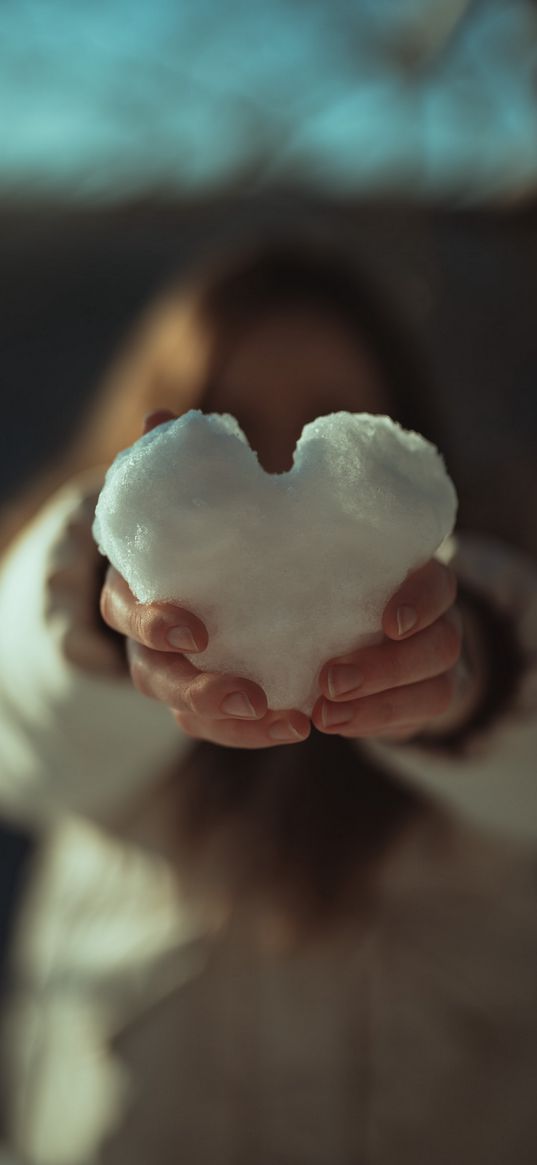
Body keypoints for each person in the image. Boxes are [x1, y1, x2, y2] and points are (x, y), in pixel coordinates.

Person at [0, 231, 536, 1165]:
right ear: (153, 434)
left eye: (329, 415)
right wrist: (92, 611)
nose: (280, 463)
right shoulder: (79, 596)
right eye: (233, 416)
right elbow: (19, 737)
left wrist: (478, 682)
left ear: (400, 438)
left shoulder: (497, 599)